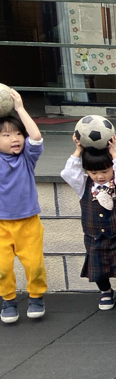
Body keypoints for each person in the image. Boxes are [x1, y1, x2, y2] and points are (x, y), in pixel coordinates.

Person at [60, 133, 116, 310]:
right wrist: (78, 151)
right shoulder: (84, 186)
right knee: (97, 271)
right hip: (93, 237)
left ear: (112, 168)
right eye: (93, 172)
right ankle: (105, 291)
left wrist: (114, 152)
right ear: (86, 171)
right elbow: (68, 173)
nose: (100, 176)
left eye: (105, 171)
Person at [0, 88, 46, 323]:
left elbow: (35, 137)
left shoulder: (26, 158)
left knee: (34, 264)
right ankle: (7, 300)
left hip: (28, 222)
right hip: (1, 224)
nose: (15, 138)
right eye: (6, 135)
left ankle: (36, 296)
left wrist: (19, 108)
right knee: (2, 268)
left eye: (18, 133)